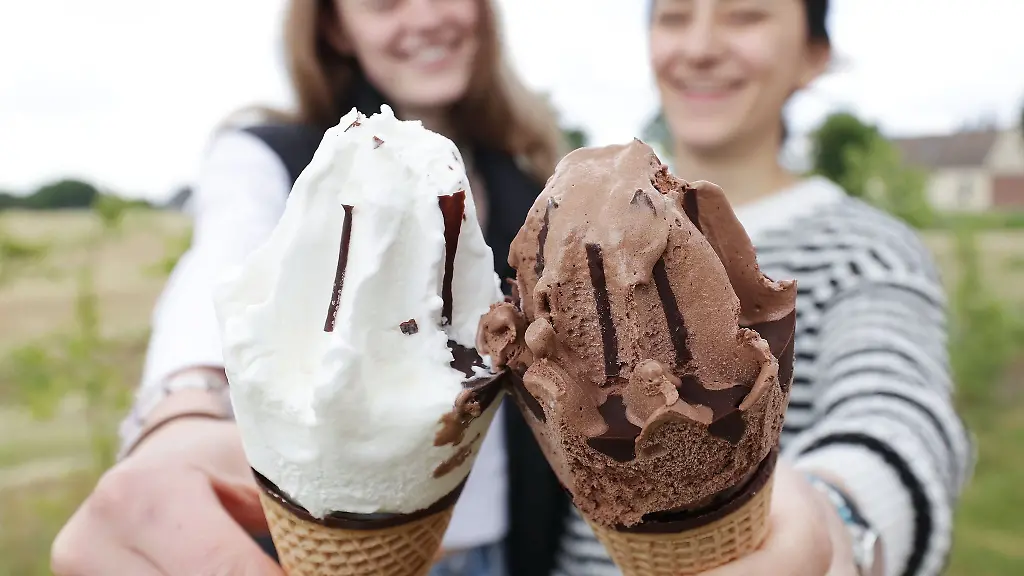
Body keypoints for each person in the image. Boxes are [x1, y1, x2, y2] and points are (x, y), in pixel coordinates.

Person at [49, 1, 564, 575]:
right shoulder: (273, 158)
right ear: (336, 28)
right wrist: (181, 409)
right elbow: (221, 270)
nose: (423, 17)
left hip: (513, 549)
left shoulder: (532, 177)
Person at [546, 1, 973, 575]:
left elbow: (898, 411)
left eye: (745, 15)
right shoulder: (579, 246)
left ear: (813, 56)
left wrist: (834, 520)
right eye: (673, 17)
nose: (699, 47)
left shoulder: (866, 252)